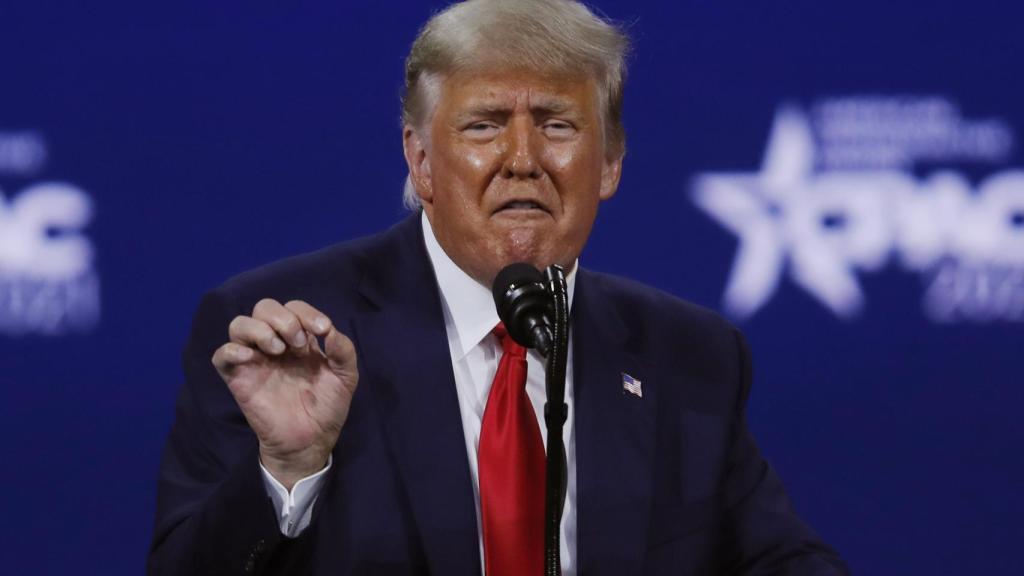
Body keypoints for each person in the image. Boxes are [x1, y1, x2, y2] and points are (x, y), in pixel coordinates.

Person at [149, 0, 849, 574]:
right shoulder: (289, 336)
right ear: (420, 162)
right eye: (484, 126)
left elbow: (781, 560)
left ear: (609, 163)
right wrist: (288, 470)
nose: (522, 160)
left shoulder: (688, 355)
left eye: (557, 125)